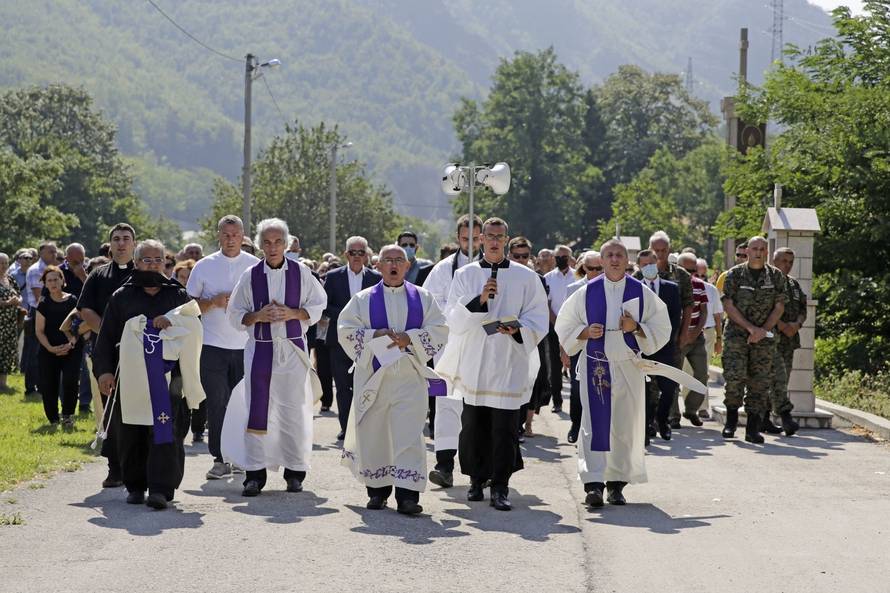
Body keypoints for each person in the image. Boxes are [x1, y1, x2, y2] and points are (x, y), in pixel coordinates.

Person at [436, 217, 549, 511]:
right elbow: (452, 318)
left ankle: (500, 486)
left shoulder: (526, 277)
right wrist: (479, 300)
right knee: (473, 426)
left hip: (510, 361)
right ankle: (475, 480)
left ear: (507, 239)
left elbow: (538, 317)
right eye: (490, 236)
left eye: (500, 236)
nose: (495, 241)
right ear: (481, 239)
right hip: (476, 359)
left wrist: (518, 328)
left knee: (505, 428)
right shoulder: (466, 274)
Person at [555, 239, 671, 507]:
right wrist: (584, 332)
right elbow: (565, 324)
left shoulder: (640, 291)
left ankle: (616, 484)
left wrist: (637, 326)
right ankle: (593, 483)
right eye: (609, 255)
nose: (615, 259)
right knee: (594, 424)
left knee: (623, 424)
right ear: (602, 260)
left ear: (627, 261)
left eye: (620, 255)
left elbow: (661, 326)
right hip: (596, 362)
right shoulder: (586, 292)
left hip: (628, 364)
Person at [93, 239, 205, 510]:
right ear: (136, 263)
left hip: (169, 379)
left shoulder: (177, 294)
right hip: (129, 379)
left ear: (165, 264)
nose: (153, 265)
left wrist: (174, 321)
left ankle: (161, 489)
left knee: (166, 430)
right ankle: (135, 485)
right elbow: (106, 337)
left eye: (158, 261)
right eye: (147, 260)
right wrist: (104, 372)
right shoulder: (122, 296)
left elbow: (194, 324)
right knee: (131, 431)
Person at [338, 244, 448, 514]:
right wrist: (376, 335)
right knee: (375, 433)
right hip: (374, 376)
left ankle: (408, 496)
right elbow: (345, 330)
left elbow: (440, 329)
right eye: (388, 260)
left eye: (399, 260)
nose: (394, 264)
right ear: (378, 265)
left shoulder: (423, 298)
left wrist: (409, 337)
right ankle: (377, 492)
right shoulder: (363, 300)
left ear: (408, 266)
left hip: (409, 377)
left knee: (409, 434)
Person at [222, 218, 327, 497]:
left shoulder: (302, 273)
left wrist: (293, 313)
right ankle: (254, 474)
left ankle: (295, 471)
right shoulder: (250, 276)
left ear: (287, 243)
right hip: (260, 350)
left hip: (291, 350)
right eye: (266, 242)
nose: (272, 247)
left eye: (278, 241)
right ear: (259, 245)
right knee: (258, 409)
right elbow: (234, 314)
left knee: (293, 409)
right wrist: (258, 316)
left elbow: (318, 303)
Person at [185, 215, 260, 478]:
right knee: (217, 402)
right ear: (219, 235)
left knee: (243, 403)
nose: (230, 239)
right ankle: (219, 458)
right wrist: (213, 302)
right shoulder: (204, 266)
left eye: (235, 235)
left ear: (243, 236)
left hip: (246, 345)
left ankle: (240, 456)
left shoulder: (255, 266)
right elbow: (188, 307)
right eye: (226, 235)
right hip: (212, 345)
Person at [421, 215, 482, 489]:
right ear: (458, 238)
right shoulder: (442, 270)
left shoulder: (492, 269)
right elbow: (429, 306)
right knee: (445, 406)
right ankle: (444, 465)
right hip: (448, 348)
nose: (470, 243)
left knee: (477, 410)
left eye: (476, 238)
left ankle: (478, 471)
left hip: (482, 349)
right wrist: (462, 310)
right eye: (465, 238)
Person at [78, 223, 137, 488]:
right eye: (116, 239)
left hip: (140, 353)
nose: (121, 244)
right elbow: (85, 310)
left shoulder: (144, 274)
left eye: (126, 239)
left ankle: (138, 465)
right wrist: (109, 332)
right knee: (112, 411)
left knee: (138, 410)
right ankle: (115, 468)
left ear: (134, 244)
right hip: (107, 354)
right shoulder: (98, 276)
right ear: (110, 244)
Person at [720, 236, 787, 444]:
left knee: (760, 383)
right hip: (737, 337)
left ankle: (752, 429)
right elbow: (728, 305)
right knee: (735, 378)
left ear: (767, 252)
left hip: (764, 339)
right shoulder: (735, 275)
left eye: (762, 249)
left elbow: (779, 307)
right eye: (754, 248)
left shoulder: (775, 277)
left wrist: (762, 330)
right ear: (747, 251)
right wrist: (750, 328)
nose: (758, 252)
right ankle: (731, 422)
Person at [323, 236, 382, 440]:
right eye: (352, 252)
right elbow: (324, 306)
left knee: (366, 384)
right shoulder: (332, 277)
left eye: (361, 253)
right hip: (339, 341)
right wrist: (348, 315)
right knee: (342, 386)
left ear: (367, 255)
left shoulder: (376, 278)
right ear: (345, 254)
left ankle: (365, 425)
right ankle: (346, 427)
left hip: (368, 341)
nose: (357, 256)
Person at [635, 231, 694, 429]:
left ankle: (667, 418)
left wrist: (684, 333)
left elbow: (688, 305)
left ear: (669, 250)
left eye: (663, 250)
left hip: (671, 339)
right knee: (648, 385)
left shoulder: (680, 275)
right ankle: (651, 422)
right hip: (644, 341)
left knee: (670, 382)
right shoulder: (637, 277)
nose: (660, 254)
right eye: (656, 250)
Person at [637, 250, 682, 443]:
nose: (648, 267)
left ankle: (663, 420)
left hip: (665, 346)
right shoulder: (635, 288)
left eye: (651, 263)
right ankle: (646, 426)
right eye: (644, 264)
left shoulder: (671, 288)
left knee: (669, 387)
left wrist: (665, 339)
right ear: (639, 267)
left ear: (657, 263)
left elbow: (675, 317)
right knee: (644, 389)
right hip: (643, 347)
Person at [509, 237, 548, 440]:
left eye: (525, 256)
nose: (521, 259)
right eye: (517, 256)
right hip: (507, 339)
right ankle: (514, 425)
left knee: (533, 381)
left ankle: (526, 422)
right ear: (510, 255)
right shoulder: (503, 277)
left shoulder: (539, 280)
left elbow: (541, 313)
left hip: (532, 338)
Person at [34, 266, 82, 427]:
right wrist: (50, 348)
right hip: (48, 350)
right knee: (49, 384)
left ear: (63, 281)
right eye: (50, 280)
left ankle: (67, 415)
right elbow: (39, 331)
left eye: (56, 279)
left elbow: (78, 326)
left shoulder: (73, 300)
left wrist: (71, 344)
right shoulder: (43, 303)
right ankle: (53, 419)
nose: (53, 283)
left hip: (72, 348)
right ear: (45, 284)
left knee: (70, 381)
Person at [565, 251, 603, 443]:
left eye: (599, 268)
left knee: (601, 389)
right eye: (591, 268)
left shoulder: (612, 288)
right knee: (577, 388)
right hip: (579, 345)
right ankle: (575, 425)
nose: (595, 272)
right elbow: (565, 324)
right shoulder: (573, 289)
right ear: (583, 268)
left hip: (605, 347)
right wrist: (563, 350)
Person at [670, 252, 709, 427]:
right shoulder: (672, 285)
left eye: (693, 270)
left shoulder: (700, 285)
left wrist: (693, 334)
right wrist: (681, 335)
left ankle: (691, 410)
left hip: (696, 337)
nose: (690, 274)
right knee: (673, 377)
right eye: (686, 270)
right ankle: (673, 416)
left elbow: (704, 312)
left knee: (701, 375)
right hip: (677, 337)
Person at [768, 247, 804, 436]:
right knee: (776, 378)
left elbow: (802, 309)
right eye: (784, 261)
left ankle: (763, 419)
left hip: (789, 341)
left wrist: (797, 324)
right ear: (774, 261)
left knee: (782, 380)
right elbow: (765, 310)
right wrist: (782, 326)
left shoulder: (794, 285)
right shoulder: (768, 283)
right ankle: (785, 416)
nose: (787, 265)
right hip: (772, 339)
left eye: (790, 262)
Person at [22, 242, 59, 394]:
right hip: (37, 313)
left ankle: (42, 385)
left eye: (55, 252)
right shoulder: (37, 270)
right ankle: (31, 387)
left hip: (45, 313)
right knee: (34, 351)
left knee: (42, 352)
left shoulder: (51, 269)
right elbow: (40, 298)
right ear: (41, 252)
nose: (54, 254)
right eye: (51, 251)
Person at [543, 245, 575, 413]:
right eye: (558, 257)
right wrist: (557, 323)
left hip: (575, 328)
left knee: (575, 363)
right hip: (554, 326)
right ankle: (557, 400)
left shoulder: (578, 276)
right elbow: (546, 304)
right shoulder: (548, 278)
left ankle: (578, 401)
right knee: (555, 366)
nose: (561, 259)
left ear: (570, 258)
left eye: (564, 257)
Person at [695, 257, 723, 418]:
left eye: (702, 273)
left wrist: (719, 339)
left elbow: (718, 316)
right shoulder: (685, 288)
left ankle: (702, 407)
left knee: (702, 370)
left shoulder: (711, 289)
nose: (699, 276)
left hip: (707, 333)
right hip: (688, 333)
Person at [0, 254, 20, 393]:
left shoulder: (10, 278)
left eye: (6, 263)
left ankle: (3, 383)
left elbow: (19, 293)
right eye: (1, 263)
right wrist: (7, 303)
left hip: (10, 322)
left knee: (7, 351)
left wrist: (18, 300)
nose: (4, 266)